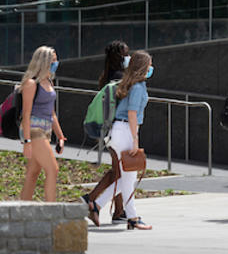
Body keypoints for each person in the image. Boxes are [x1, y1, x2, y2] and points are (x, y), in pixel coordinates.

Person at [84, 50, 153, 230]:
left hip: (120, 132)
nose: (152, 68)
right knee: (129, 177)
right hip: (126, 132)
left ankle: (96, 206)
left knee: (126, 177)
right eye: (150, 64)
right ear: (143, 67)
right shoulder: (138, 87)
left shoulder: (132, 85)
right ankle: (132, 218)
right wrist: (135, 140)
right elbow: (132, 114)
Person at [89, 40, 130, 224]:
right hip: (119, 130)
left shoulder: (105, 76)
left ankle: (119, 211)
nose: (129, 57)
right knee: (119, 172)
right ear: (120, 56)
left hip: (108, 130)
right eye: (126, 53)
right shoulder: (121, 79)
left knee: (118, 171)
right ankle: (91, 199)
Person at [19, 46, 67, 202]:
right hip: (34, 130)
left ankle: (22, 209)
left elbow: (51, 113)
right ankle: (51, 210)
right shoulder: (31, 83)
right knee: (53, 169)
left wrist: (60, 136)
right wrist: (26, 142)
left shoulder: (49, 81)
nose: (56, 63)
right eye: (52, 60)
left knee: (33, 173)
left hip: (46, 130)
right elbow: (26, 113)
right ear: (44, 62)